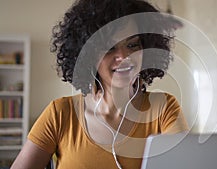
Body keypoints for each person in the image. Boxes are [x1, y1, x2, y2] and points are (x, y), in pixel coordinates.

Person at [11, 0, 188, 169]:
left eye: (132, 45)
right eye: (110, 47)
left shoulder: (164, 109)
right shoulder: (60, 113)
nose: (124, 57)